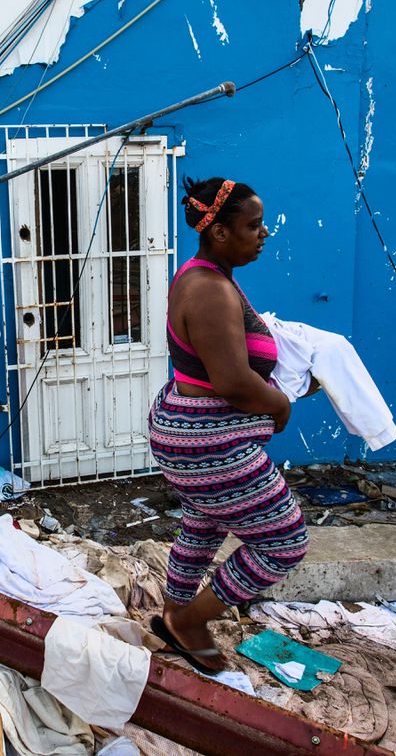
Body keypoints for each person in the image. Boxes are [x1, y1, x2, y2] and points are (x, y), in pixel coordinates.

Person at [148, 177, 309, 673]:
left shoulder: (207, 276)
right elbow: (233, 381)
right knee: (284, 540)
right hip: (207, 440)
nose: (264, 234)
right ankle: (190, 623)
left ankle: (174, 613)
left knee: (206, 521)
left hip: (196, 432)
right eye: (253, 225)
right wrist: (279, 405)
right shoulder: (210, 288)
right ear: (218, 231)